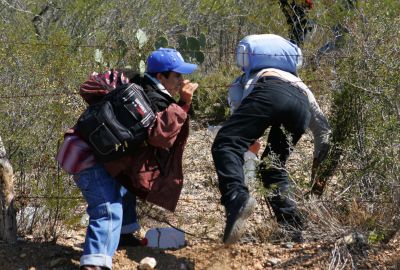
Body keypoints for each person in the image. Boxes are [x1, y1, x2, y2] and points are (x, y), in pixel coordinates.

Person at [56, 48, 198, 270]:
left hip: (86, 151)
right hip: (88, 158)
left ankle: (123, 235)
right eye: (177, 75)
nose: (182, 80)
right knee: (108, 209)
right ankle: (95, 263)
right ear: (161, 77)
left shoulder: (136, 84)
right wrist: (183, 103)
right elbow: (160, 137)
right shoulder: (153, 98)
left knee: (123, 189)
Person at [211, 34, 331, 244]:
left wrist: (247, 145)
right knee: (272, 167)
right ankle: (292, 226)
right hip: (299, 107)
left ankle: (236, 198)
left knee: (225, 143)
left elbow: (238, 126)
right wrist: (319, 172)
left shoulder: (245, 79)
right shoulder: (300, 84)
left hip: (268, 92)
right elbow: (322, 128)